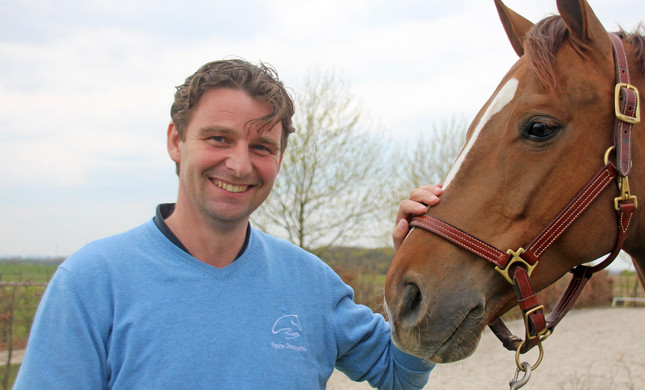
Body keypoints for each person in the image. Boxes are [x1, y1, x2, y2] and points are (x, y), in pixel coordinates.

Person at [14, 59, 435, 389]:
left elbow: (398, 373)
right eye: (219, 138)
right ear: (176, 142)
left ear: (280, 159)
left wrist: (426, 261)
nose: (238, 164)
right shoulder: (90, 283)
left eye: (261, 146)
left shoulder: (311, 284)